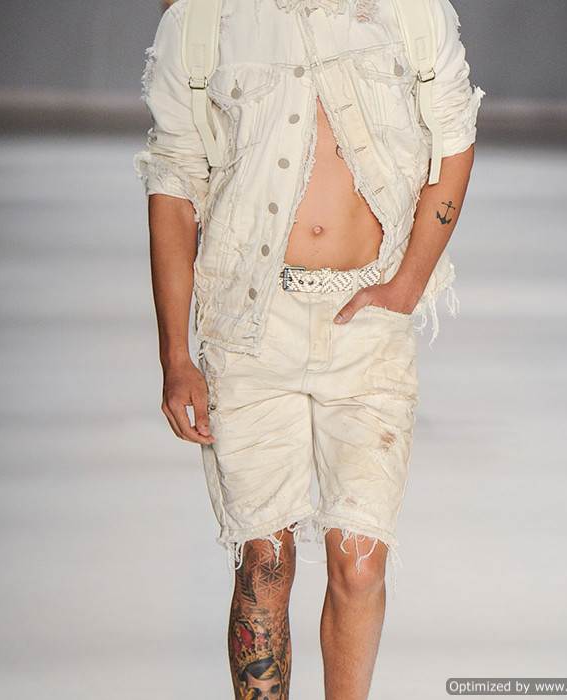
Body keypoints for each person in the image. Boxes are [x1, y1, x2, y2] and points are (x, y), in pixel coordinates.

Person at [133, 0, 483, 697]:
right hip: (248, 324)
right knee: (264, 563)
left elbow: (454, 138)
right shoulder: (202, 22)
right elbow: (173, 184)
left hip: (368, 323)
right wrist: (175, 357)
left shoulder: (410, 12)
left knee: (360, 562)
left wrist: (409, 283)